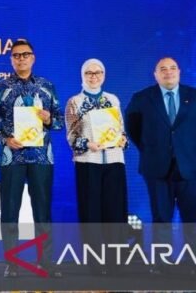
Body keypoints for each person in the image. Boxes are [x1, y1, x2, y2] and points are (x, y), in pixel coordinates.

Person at [0, 39, 63, 278]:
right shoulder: (0, 87)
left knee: (42, 211)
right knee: (9, 211)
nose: (21, 58)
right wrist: (4, 139)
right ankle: (12, 263)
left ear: (33, 58)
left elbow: (60, 122)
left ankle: (45, 262)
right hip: (11, 158)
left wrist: (49, 119)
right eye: (16, 55)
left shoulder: (47, 87)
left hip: (41, 157)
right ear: (11, 60)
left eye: (25, 54)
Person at [125, 57, 196, 274]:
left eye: (173, 68)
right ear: (155, 75)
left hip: (190, 168)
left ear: (179, 72)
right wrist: (152, 150)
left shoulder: (193, 96)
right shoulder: (142, 98)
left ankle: (193, 262)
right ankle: (162, 263)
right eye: (163, 69)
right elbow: (133, 128)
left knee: (192, 217)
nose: (168, 72)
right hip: (157, 167)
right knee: (161, 217)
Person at [64, 59, 128, 274]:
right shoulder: (75, 102)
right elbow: (71, 137)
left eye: (98, 72)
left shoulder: (112, 99)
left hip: (114, 160)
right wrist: (87, 144)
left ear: (104, 75)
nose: (94, 76)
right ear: (82, 75)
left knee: (115, 211)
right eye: (89, 73)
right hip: (88, 162)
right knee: (91, 212)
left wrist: (123, 140)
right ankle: (95, 263)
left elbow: (121, 130)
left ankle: (116, 261)